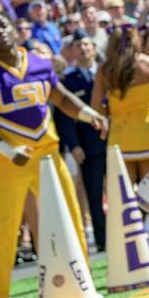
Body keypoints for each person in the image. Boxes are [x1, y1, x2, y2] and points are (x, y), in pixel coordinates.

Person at [0, 11, 108, 298]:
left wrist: (90, 113)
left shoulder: (39, 62)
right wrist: (8, 150)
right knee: (5, 232)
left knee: (72, 219)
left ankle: (85, 283)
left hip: (48, 154)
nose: (0, 33)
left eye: (3, 26)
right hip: (10, 162)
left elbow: (62, 99)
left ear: (14, 29)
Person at [91, 23, 149, 261]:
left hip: (120, 141)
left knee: (124, 201)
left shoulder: (105, 71)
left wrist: (111, 110)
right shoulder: (148, 64)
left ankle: (131, 251)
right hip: (147, 136)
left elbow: (95, 109)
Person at [59, 35, 107, 251]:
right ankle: (102, 238)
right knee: (94, 193)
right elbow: (65, 118)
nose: (83, 49)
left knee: (120, 189)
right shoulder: (69, 80)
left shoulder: (108, 72)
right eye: (78, 46)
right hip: (88, 146)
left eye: (86, 44)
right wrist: (74, 145)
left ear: (94, 48)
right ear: (72, 51)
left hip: (115, 140)